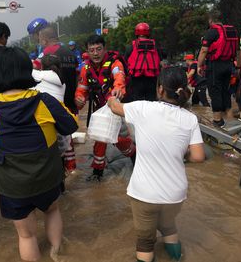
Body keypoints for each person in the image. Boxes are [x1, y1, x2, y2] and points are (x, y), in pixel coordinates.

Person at [0, 47, 78, 261]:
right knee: (52, 210)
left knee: (26, 235)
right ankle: (57, 253)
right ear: (27, 71)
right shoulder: (45, 101)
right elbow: (71, 125)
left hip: (11, 184)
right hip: (46, 177)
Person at [107, 67, 205, 262]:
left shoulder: (144, 108)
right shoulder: (190, 118)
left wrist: (113, 96)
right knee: (168, 226)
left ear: (160, 89)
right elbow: (198, 156)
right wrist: (178, 155)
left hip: (145, 193)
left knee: (145, 240)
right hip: (175, 194)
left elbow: (114, 107)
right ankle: (177, 258)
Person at [75, 35, 136, 181]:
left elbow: (119, 78)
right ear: (87, 52)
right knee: (99, 138)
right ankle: (97, 172)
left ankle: (135, 156)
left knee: (119, 138)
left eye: (98, 49)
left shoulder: (115, 64)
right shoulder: (86, 69)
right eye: (92, 50)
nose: (95, 53)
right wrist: (79, 99)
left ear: (105, 49)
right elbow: (82, 89)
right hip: (100, 109)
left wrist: (118, 90)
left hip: (116, 107)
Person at [37, 26, 79, 173]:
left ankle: (59, 171)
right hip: (70, 100)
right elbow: (77, 75)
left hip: (54, 104)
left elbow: (35, 68)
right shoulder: (70, 53)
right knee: (68, 137)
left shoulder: (47, 53)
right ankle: (72, 167)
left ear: (44, 39)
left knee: (54, 140)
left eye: (40, 40)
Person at [197, 10, 239, 127]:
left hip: (215, 65)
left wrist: (199, 65)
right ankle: (230, 119)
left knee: (214, 91)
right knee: (225, 91)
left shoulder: (212, 31)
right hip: (228, 65)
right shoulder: (230, 31)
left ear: (211, 20)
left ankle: (217, 121)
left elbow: (204, 50)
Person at [125, 22, 162, 102]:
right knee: (151, 103)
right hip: (152, 80)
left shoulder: (130, 47)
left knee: (136, 104)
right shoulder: (156, 47)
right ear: (148, 33)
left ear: (136, 33)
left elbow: (126, 62)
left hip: (136, 80)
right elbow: (161, 59)